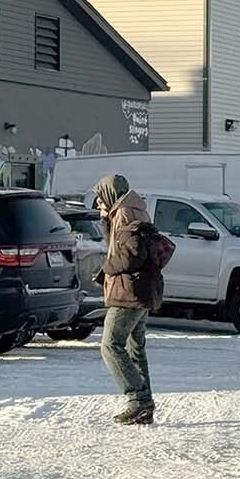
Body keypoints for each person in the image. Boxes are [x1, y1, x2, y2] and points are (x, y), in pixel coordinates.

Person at [94, 174, 156, 425]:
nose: (98, 203)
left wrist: (107, 269)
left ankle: (137, 400)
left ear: (110, 194)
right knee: (134, 345)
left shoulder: (126, 214)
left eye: (100, 197)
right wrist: (105, 220)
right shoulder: (133, 209)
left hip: (128, 290)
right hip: (141, 288)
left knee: (110, 345)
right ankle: (144, 404)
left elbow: (130, 254)